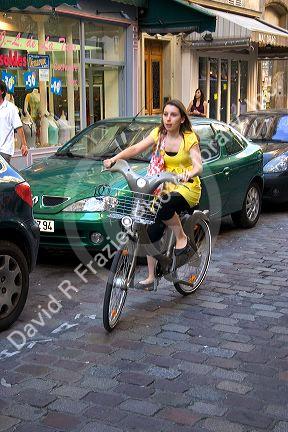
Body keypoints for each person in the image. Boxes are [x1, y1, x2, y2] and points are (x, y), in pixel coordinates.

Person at [104, 99, 203, 289]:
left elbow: (198, 165)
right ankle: (151, 277)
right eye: (165, 114)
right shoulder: (159, 134)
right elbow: (135, 148)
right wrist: (114, 160)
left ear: (182, 119)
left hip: (186, 187)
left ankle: (181, 237)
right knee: (149, 230)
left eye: (173, 115)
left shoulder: (189, 137)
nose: (168, 118)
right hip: (162, 187)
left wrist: (188, 173)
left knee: (165, 205)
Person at [0, 80, 28, 164]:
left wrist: (24, 145)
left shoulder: (10, 108)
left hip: (4, 150)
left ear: (2, 91)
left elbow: (18, 127)